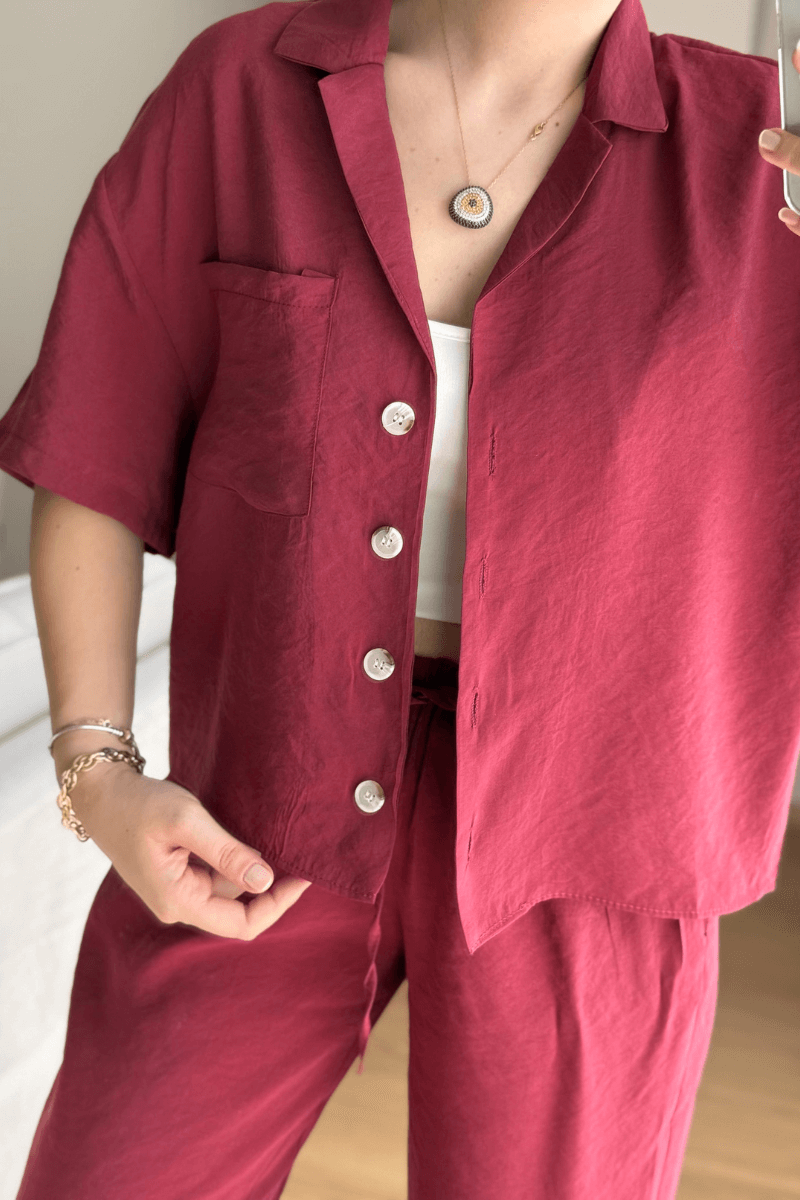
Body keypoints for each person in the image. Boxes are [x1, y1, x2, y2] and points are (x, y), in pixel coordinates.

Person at [1, 0, 799, 1195]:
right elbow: (93, 442)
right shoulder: (242, 89)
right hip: (252, 814)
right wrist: (98, 769)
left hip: (595, 834)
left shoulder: (761, 151)